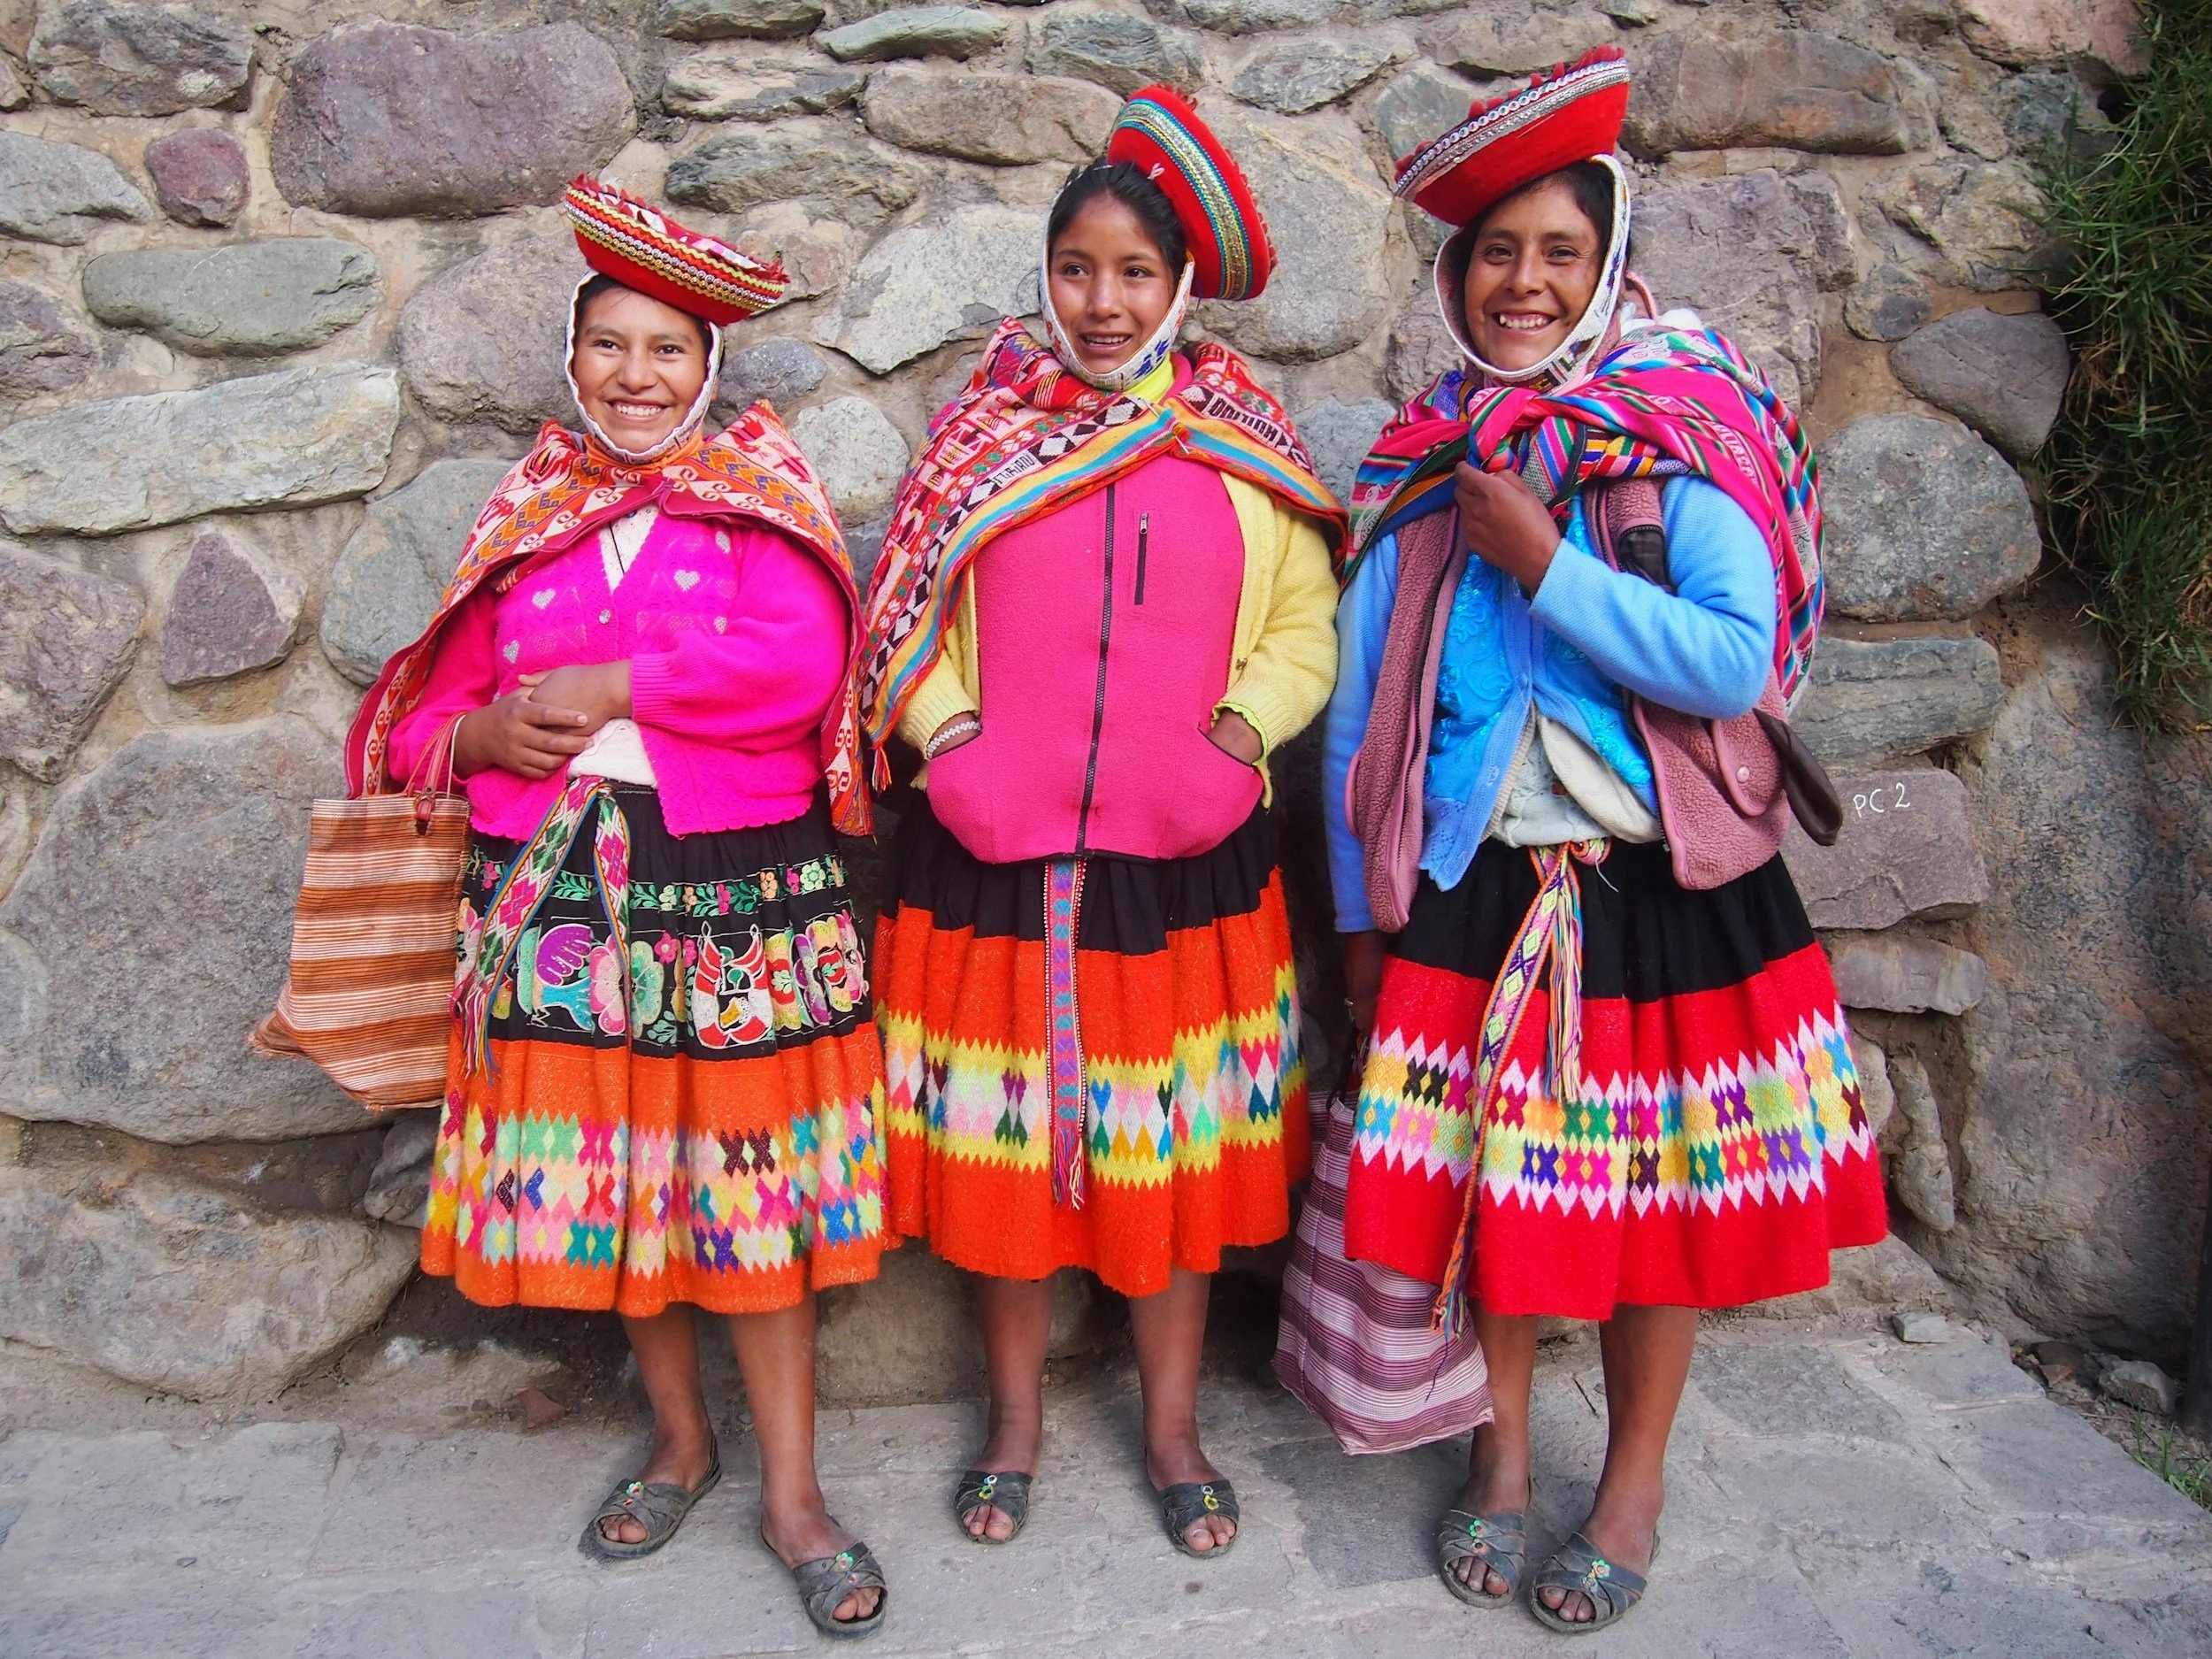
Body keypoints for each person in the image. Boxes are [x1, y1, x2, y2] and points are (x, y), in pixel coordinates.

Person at [1325, 49, 1886, 1633]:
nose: (1524, 281)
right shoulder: (1425, 460)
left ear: (1608, 260)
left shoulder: (1683, 424)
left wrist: (1552, 560)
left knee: (1657, 1218)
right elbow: (1367, 710)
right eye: (1497, 252)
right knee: (1498, 1198)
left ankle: (1629, 1481)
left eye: (1558, 252)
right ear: (1456, 272)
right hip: (1474, 886)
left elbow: (1737, 659)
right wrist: (1361, 908)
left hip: (1660, 888)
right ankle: (1500, 1460)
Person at [358, 178, 889, 1637]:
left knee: (747, 1192)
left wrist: (612, 690)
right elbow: (424, 710)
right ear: (573, 359)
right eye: (611, 348)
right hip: (558, 893)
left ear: (706, 369)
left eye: (666, 350)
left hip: (730, 891)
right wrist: (471, 743)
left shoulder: (758, 501)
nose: (636, 376)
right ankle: (680, 1441)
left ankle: (792, 1488)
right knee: (626, 1189)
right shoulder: (527, 512)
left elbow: (796, 671)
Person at [861, 88, 1346, 1556]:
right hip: (993, 856)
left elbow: (1305, 625)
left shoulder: (1241, 443)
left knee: (1168, 1159)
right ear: (1046, 273)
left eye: (1136, 272)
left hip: (1182, 861)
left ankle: (1173, 1423)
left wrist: (1233, 744)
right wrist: (949, 740)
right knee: (1011, 1163)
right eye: (1079, 267)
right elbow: (899, 613)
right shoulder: (983, 438)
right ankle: (1012, 1420)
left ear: (1179, 286)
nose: (1104, 300)